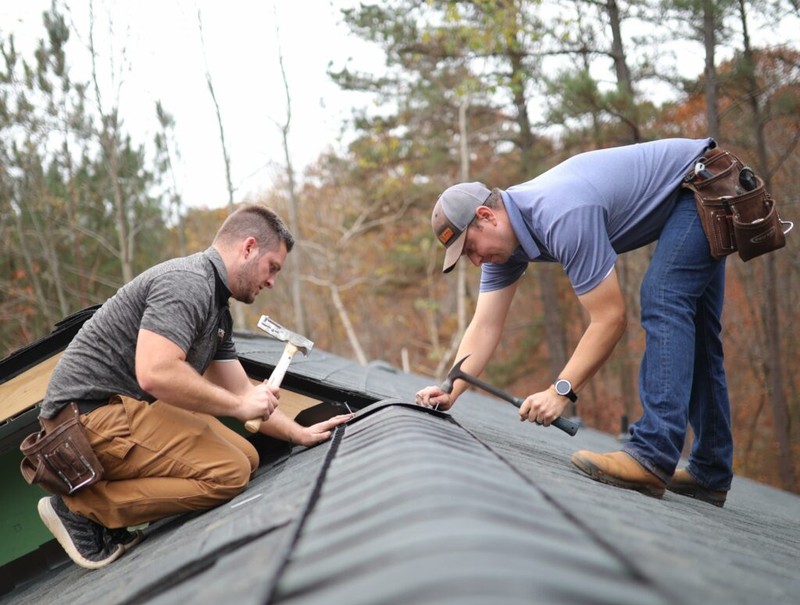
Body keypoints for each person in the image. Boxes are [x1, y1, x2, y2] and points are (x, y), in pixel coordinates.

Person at [415, 137, 731, 508]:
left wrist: (559, 391)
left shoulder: (559, 213)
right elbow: (484, 326)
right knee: (697, 332)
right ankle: (710, 470)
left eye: (470, 248)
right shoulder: (507, 245)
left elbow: (611, 319)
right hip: (694, 188)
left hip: (702, 184)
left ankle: (652, 453)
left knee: (663, 297)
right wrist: (450, 388)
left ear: (486, 217)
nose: (474, 261)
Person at [35, 204, 351, 570]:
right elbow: (156, 373)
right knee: (228, 473)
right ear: (248, 248)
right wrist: (238, 407)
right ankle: (81, 508)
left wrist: (298, 433)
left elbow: (239, 391)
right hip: (81, 426)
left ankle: (104, 503)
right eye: (273, 268)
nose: (272, 282)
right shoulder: (188, 282)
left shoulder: (217, 310)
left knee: (246, 459)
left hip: (122, 414)